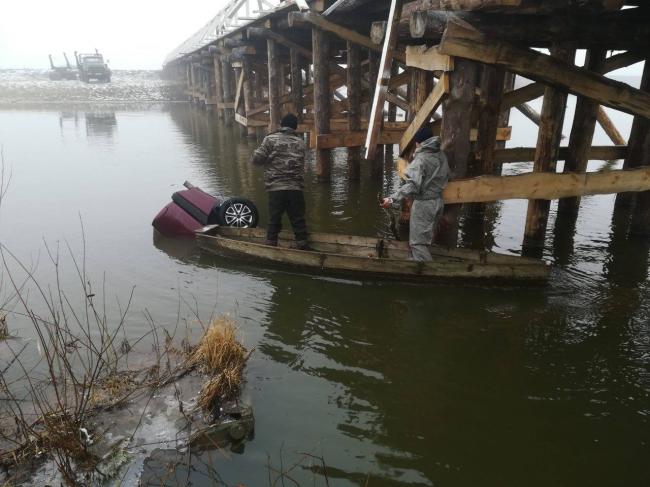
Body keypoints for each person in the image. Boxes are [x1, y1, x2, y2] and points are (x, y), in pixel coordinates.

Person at [380, 127, 450, 261]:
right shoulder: (441, 154)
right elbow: (447, 175)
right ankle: (418, 259)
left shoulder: (421, 160)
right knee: (426, 238)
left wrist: (391, 198)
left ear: (418, 143)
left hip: (425, 205)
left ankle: (426, 271)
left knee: (417, 242)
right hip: (438, 202)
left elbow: (412, 185)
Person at [251, 113, 309, 250]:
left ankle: (271, 244)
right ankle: (302, 245)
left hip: (276, 187)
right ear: (295, 127)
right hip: (295, 187)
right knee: (298, 218)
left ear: (281, 125)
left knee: (274, 218)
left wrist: (268, 158)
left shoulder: (270, 139)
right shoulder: (300, 142)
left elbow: (256, 160)